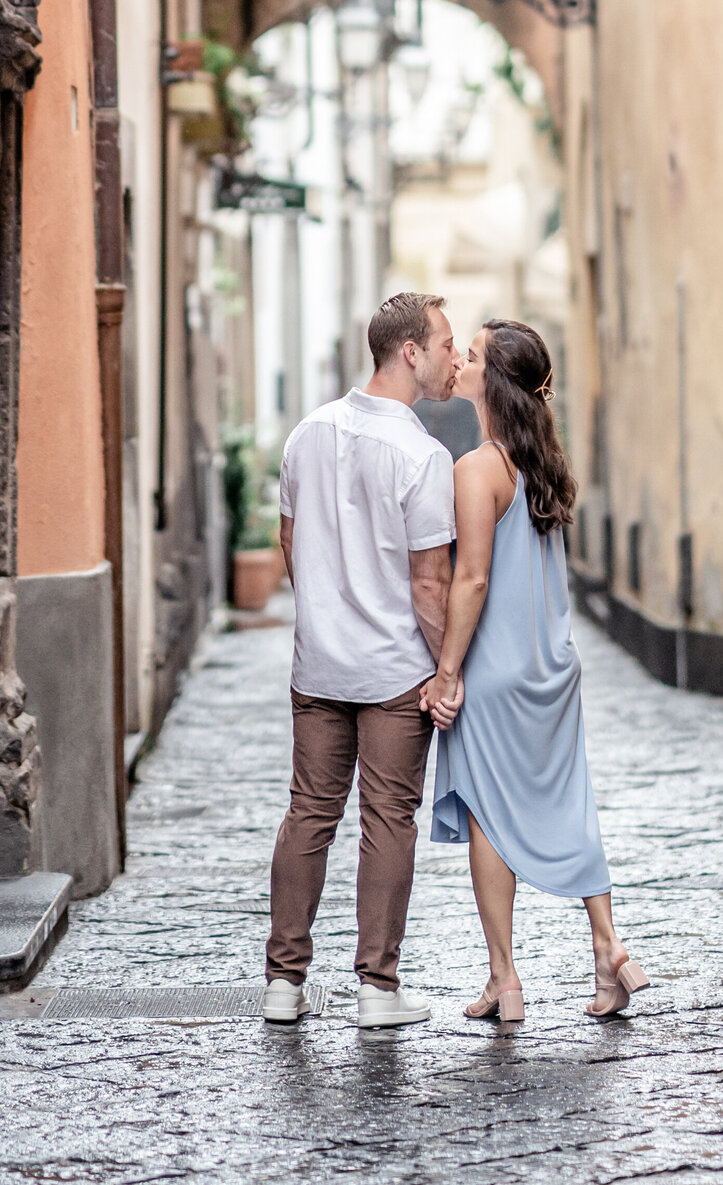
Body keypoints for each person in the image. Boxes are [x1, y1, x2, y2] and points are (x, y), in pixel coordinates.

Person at [423, 320, 649, 1023]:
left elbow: (473, 580)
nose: (459, 358)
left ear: (490, 380)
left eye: (475, 353)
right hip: (554, 666)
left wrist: (447, 671)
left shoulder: (477, 468)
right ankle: (609, 947)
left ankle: (504, 979)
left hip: (495, 670)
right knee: (571, 800)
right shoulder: (543, 460)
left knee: (488, 809)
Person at [263, 292, 464, 1029]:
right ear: (409, 351)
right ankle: (377, 989)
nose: (452, 355)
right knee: (388, 819)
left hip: (318, 664)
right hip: (392, 671)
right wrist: (448, 669)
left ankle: (283, 982)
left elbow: (289, 542)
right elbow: (429, 583)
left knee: (308, 814)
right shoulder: (422, 454)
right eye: (445, 341)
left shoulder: (305, 434)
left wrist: (324, 610)